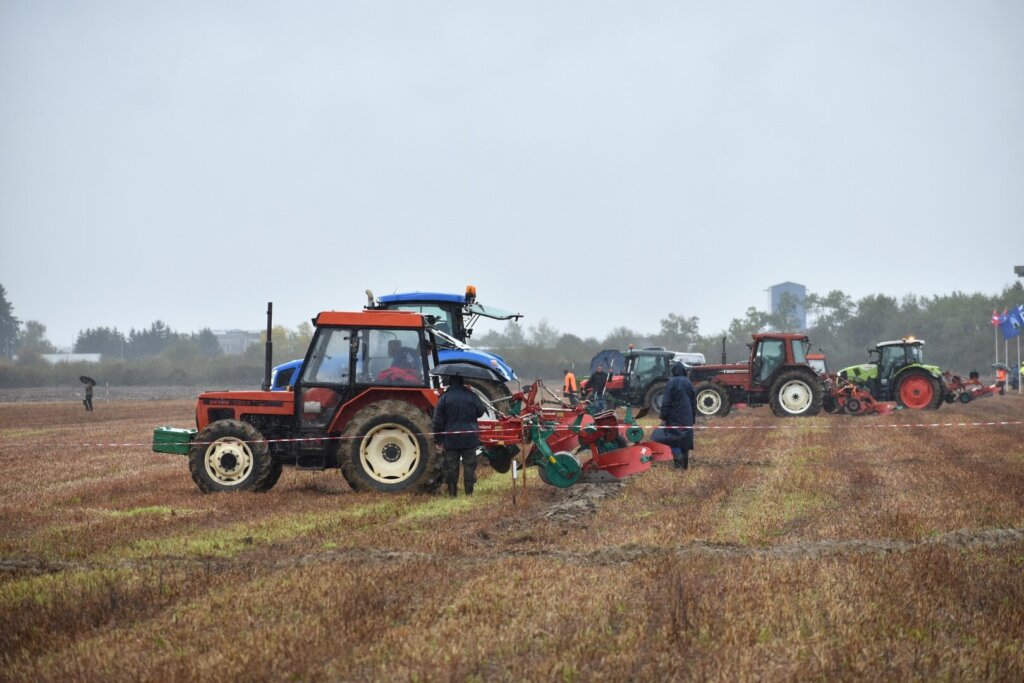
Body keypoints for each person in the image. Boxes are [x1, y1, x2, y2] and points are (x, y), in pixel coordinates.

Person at [431, 373, 486, 497]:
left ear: (450, 382)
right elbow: (481, 412)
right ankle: (469, 493)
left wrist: (438, 439)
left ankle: (452, 494)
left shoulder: (444, 398)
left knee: (451, 466)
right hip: (469, 436)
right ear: (462, 381)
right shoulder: (471, 395)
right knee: (469, 465)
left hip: (450, 438)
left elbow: (437, 421)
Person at [653, 362, 696, 469]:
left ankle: (678, 462)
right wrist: (693, 417)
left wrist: (663, 416)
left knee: (673, 439)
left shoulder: (671, 382)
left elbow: (666, 401)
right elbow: (694, 402)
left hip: (674, 416)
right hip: (687, 416)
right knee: (685, 440)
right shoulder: (689, 383)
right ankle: (684, 466)